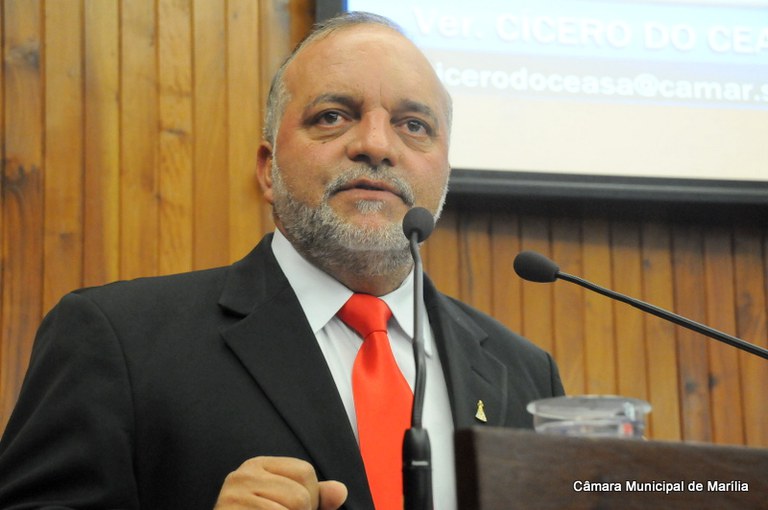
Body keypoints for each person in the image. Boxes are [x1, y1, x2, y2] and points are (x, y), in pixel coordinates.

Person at [0, 11, 564, 510]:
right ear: (268, 169)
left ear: (444, 172)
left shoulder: (525, 373)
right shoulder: (118, 339)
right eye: (333, 116)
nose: (376, 144)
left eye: (413, 126)